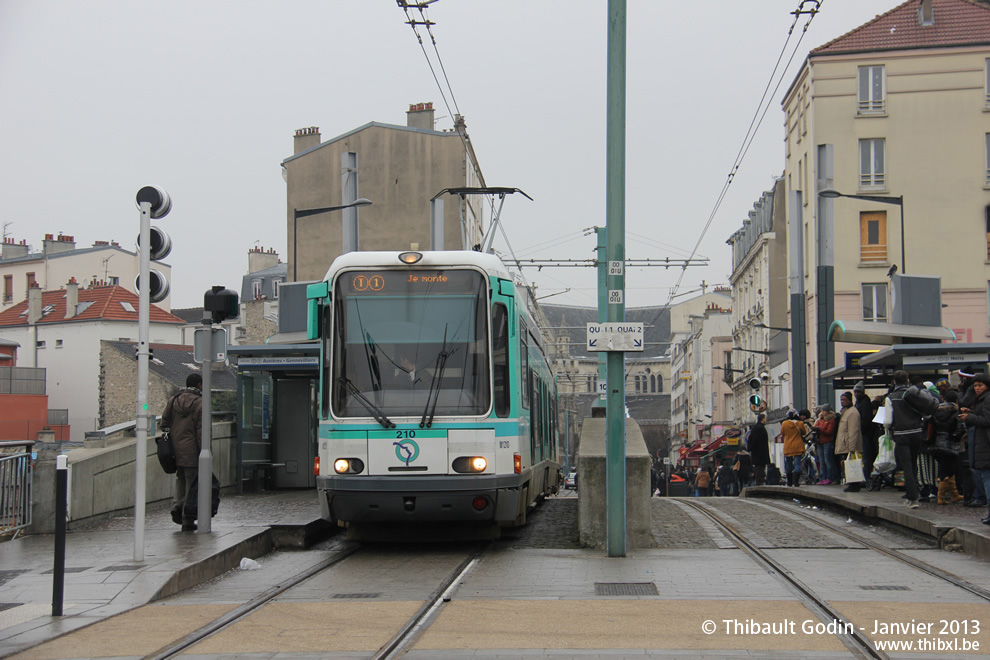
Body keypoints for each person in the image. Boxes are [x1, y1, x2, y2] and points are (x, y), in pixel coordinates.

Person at [886, 370, 937, 509]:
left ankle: (912, 497)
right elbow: (925, 414)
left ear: (894, 382)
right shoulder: (912, 394)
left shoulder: (891, 397)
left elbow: (887, 420)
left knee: (906, 466)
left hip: (901, 434)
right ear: (907, 380)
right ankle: (914, 494)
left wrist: (888, 430)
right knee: (914, 464)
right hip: (916, 433)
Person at [161, 373, 204, 531]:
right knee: (192, 483)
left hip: (175, 451)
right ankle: (187, 518)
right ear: (199, 385)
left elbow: (164, 423)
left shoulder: (173, 401)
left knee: (180, 478)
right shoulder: (200, 403)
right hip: (192, 451)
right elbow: (202, 432)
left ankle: (177, 506)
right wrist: (206, 452)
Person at [958, 373, 990, 524]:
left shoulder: (988, 398)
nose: (977, 388)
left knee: (987, 477)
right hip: (982, 443)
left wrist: (969, 418)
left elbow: (987, 420)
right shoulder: (982, 399)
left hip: (985, 444)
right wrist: (971, 413)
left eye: (980, 385)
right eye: (975, 386)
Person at [930, 389, 965, 505]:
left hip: (938, 444)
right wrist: (956, 438)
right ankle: (941, 497)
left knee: (946, 469)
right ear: (956, 400)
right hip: (950, 445)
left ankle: (954, 495)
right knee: (948, 471)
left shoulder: (936, 411)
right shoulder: (956, 412)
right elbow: (960, 430)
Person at [835, 391, 863, 491]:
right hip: (845, 442)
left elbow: (853, 430)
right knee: (846, 464)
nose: (842, 402)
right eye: (841, 400)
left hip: (848, 443)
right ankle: (851, 483)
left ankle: (854, 484)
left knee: (851, 464)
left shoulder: (852, 412)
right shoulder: (845, 412)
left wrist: (852, 447)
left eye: (845, 400)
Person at [853, 383, 879, 490]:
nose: (856, 394)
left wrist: (858, 428)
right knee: (864, 457)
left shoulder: (864, 404)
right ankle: (864, 476)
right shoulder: (860, 403)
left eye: (858, 392)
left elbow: (865, 420)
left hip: (864, 434)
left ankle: (865, 477)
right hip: (863, 434)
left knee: (866, 457)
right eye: (855, 392)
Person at [813, 404, 839, 485]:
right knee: (822, 461)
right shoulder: (820, 420)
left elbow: (829, 432)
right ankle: (823, 477)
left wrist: (820, 429)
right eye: (822, 411)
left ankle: (830, 477)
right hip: (820, 442)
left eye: (824, 411)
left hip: (827, 441)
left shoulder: (831, 420)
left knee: (828, 460)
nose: (822, 413)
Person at [782, 409, 807, 487]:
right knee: (797, 464)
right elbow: (804, 432)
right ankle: (796, 481)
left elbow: (782, 433)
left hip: (788, 446)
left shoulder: (784, 424)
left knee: (788, 464)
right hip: (797, 445)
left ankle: (789, 482)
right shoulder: (799, 423)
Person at [748, 413, 770, 485]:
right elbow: (757, 440)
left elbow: (751, 439)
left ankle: (759, 481)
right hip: (760, 452)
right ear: (762, 419)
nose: (765, 420)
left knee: (758, 467)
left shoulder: (755, 427)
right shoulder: (760, 428)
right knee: (760, 467)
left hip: (757, 452)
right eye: (765, 418)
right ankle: (759, 481)